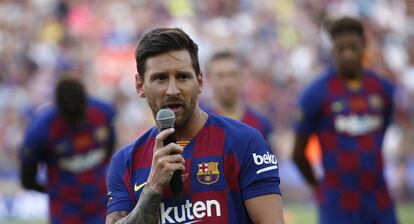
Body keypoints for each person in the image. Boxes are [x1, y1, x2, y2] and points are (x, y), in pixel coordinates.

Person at [106, 28, 284, 224]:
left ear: (199, 81)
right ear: (140, 85)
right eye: (160, 78)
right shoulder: (125, 162)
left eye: (182, 77)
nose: (172, 90)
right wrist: (153, 189)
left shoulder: (245, 142)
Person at [292, 17, 398, 224]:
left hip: (378, 197)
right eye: (341, 49)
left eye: (353, 47)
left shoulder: (383, 89)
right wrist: (318, 187)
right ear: (333, 51)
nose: (347, 54)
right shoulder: (316, 93)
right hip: (338, 201)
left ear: (364, 47)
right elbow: (298, 153)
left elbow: (381, 134)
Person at [19, 77, 117, 223]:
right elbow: (27, 178)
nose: (77, 122)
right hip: (65, 209)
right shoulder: (40, 130)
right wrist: (52, 190)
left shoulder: (103, 113)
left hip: (99, 203)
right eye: (71, 117)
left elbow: (110, 148)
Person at [204, 50, 273, 143]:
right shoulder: (198, 123)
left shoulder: (260, 123)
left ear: (242, 76)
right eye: (220, 76)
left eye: (233, 75)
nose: (227, 82)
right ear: (209, 79)